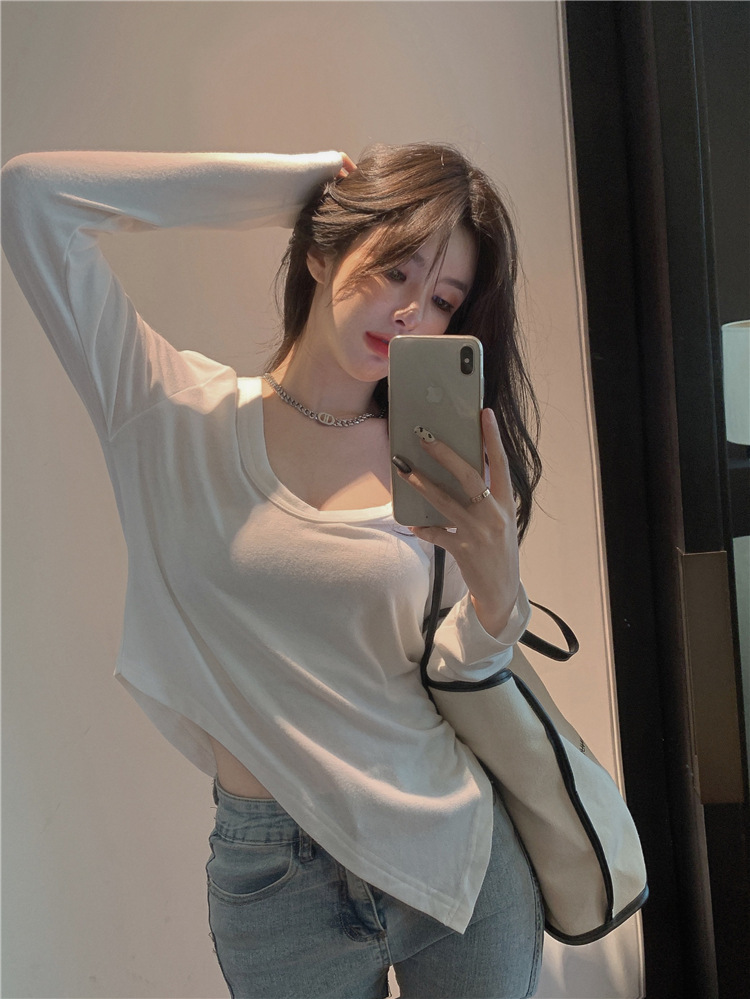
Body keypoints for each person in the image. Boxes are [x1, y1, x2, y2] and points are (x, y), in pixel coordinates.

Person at [1, 142, 544, 999]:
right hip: (275, 882)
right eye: (395, 268)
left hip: (455, 852)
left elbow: (454, 667)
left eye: (443, 298)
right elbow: (33, 197)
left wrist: (499, 593)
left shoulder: (428, 457)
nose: (413, 311)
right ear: (321, 253)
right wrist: (315, 182)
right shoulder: (169, 412)